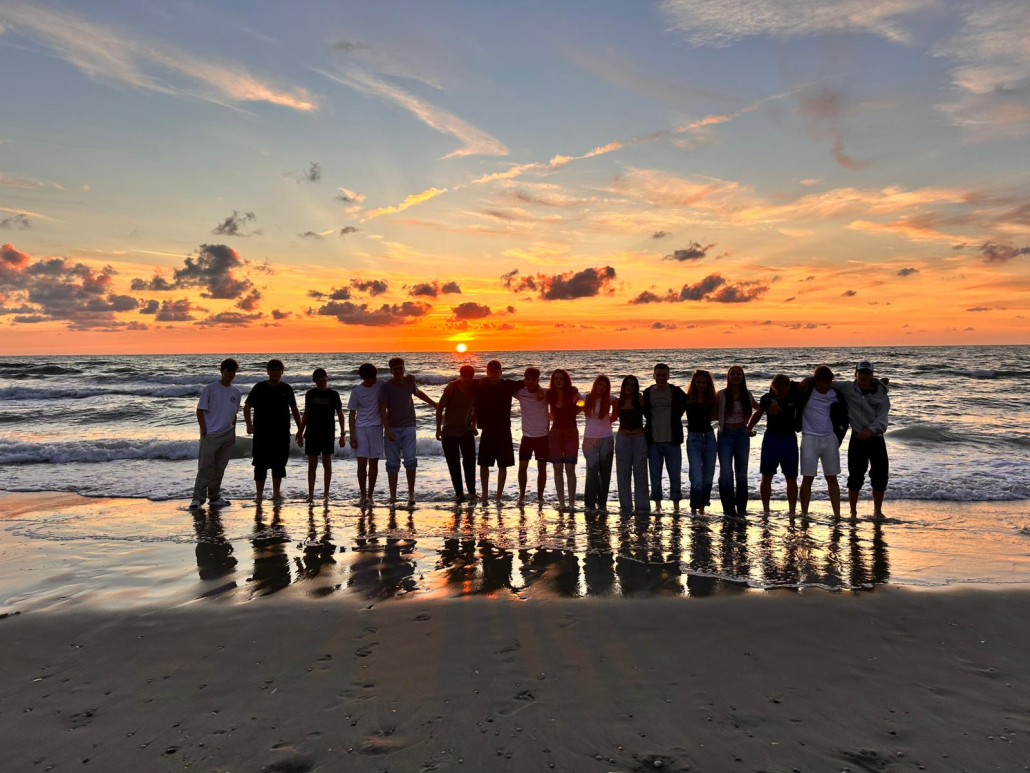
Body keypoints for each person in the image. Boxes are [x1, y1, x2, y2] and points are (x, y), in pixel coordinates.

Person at [831, 361, 891, 519]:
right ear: (855, 374)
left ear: (872, 375)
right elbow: (823, 382)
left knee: (880, 476)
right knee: (855, 476)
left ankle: (877, 511)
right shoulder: (848, 387)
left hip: (876, 438)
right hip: (857, 437)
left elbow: (882, 418)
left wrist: (870, 430)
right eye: (861, 372)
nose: (864, 376)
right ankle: (853, 512)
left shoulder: (882, 394)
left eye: (867, 373)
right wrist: (806, 381)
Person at [379, 357, 438, 506]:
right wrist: (387, 429)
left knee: (410, 461)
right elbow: (382, 409)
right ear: (391, 371)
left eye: (400, 368)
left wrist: (434, 404)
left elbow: (419, 393)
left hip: (409, 426)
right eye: (395, 369)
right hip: (392, 428)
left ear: (404, 368)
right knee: (392, 463)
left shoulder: (409, 382)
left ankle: (411, 494)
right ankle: (393, 496)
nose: (398, 371)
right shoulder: (386, 387)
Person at [244, 359, 301, 503]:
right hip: (262, 433)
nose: (275, 372)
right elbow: (247, 406)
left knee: (279, 464)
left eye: (278, 370)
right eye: (272, 370)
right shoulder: (259, 387)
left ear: (282, 371)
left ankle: (276, 493)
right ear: (268, 371)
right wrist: (249, 425)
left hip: (281, 433)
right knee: (260, 464)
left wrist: (300, 430)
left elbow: (294, 409)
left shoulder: (286, 388)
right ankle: (259, 495)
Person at [797, 365, 849, 518]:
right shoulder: (806, 391)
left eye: (830, 382)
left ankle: (837, 515)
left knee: (832, 477)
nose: (829, 385)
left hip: (829, 438)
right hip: (809, 438)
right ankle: (804, 514)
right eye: (825, 382)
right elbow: (782, 386)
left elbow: (853, 396)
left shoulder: (836, 394)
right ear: (817, 381)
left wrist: (838, 436)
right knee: (808, 478)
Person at [190, 357, 241, 509]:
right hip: (211, 434)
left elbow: (234, 413)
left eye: (233, 372)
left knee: (220, 468)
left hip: (228, 434)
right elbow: (200, 411)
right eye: (228, 371)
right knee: (205, 467)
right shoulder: (210, 389)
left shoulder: (236, 392)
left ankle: (214, 496)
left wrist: (233, 429)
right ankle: (197, 498)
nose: (230, 374)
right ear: (222, 371)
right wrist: (204, 430)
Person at [747, 374, 802, 514]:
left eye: (780, 391)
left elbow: (805, 384)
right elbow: (758, 413)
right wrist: (748, 428)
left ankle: (792, 511)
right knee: (766, 476)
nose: (778, 393)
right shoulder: (767, 398)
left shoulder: (794, 397)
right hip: (771, 439)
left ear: (788, 387)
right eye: (775, 390)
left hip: (789, 440)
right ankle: (766, 509)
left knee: (791, 478)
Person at [473, 360, 525, 502]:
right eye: (491, 372)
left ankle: (498, 496)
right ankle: (484, 495)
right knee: (484, 464)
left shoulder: (507, 385)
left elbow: (526, 382)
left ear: (501, 372)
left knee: (503, 464)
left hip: (503, 430)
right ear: (487, 372)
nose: (494, 374)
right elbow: (465, 382)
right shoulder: (482, 385)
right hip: (487, 429)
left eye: (496, 372)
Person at [296, 368, 346, 502]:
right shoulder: (310, 394)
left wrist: (342, 434)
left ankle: (326, 494)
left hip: (328, 433)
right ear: (314, 381)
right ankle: (310, 495)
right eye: (319, 381)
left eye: (324, 381)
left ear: (327, 378)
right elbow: (306, 414)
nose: (322, 383)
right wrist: (300, 432)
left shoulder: (333, 394)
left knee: (327, 463)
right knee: (312, 464)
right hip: (312, 433)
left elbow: (341, 415)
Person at [716, 366, 760, 517]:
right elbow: (709, 410)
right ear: (728, 377)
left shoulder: (747, 394)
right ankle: (728, 509)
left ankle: (741, 509)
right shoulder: (721, 394)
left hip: (742, 434)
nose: (735, 376)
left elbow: (759, 409)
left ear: (743, 376)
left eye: (738, 374)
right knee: (726, 472)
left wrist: (749, 427)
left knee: (741, 473)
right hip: (725, 434)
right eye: (732, 374)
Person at [642, 363, 687, 512]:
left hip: (672, 441)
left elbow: (688, 402)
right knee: (655, 476)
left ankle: (676, 507)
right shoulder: (648, 392)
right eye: (658, 375)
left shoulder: (675, 391)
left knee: (675, 476)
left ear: (668, 376)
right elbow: (643, 411)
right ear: (653, 375)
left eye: (664, 375)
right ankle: (658, 506)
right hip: (653, 442)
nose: (661, 378)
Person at [436, 365, 478, 503]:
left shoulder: (475, 388)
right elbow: (440, 408)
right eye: (464, 376)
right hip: (449, 432)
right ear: (460, 376)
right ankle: (459, 493)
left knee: (470, 463)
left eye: (470, 377)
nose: (467, 379)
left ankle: (472, 492)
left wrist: (473, 425)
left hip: (466, 431)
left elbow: (476, 408)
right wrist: (438, 429)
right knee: (453, 464)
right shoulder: (452, 388)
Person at [348, 363, 384, 506]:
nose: (374, 380)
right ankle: (363, 495)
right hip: (360, 428)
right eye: (371, 378)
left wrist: (409, 378)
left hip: (376, 427)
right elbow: (352, 414)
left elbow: (396, 382)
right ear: (363, 377)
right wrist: (352, 436)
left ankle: (371, 495)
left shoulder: (381, 384)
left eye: (375, 377)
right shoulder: (356, 391)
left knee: (374, 462)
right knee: (362, 463)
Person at [612, 375, 649, 513]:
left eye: (632, 385)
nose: (629, 387)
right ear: (623, 386)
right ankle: (626, 507)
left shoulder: (639, 400)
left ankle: (642, 508)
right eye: (627, 384)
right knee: (623, 473)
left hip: (639, 437)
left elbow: (648, 416)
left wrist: (644, 405)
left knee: (640, 473)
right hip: (623, 437)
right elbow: (611, 417)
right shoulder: (618, 402)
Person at [514, 367, 549, 506]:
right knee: (522, 467)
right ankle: (521, 496)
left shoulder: (545, 393)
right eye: (528, 379)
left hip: (543, 437)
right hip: (527, 437)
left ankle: (540, 497)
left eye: (533, 379)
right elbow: (506, 387)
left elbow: (566, 391)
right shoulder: (520, 393)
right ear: (524, 379)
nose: (530, 382)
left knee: (542, 468)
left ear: (538, 380)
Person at [547, 369, 581, 510]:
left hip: (571, 433)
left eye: (561, 378)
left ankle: (571, 503)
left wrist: (576, 407)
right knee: (557, 468)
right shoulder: (550, 395)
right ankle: (561, 503)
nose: (559, 381)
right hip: (555, 434)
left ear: (565, 380)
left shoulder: (572, 393)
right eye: (556, 379)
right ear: (553, 381)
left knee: (570, 468)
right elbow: (550, 414)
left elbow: (582, 404)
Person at [685, 369, 718, 515]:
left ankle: (702, 508)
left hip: (710, 438)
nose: (701, 385)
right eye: (698, 382)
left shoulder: (712, 399)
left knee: (708, 476)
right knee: (696, 476)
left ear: (708, 384)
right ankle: (694, 508)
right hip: (694, 439)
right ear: (694, 383)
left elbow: (721, 413)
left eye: (704, 382)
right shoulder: (687, 399)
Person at [582, 375, 616, 511]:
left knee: (605, 472)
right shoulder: (586, 398)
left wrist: (611, 419)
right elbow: (574, 405)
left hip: (606, 439)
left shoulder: (610, 399)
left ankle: (602, 503)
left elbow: (619, 406)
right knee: (592, 469)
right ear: (595, 385)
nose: (601, 388)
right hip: (589, 439)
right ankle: (589, 504)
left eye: (604, 386)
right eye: (599, 385)